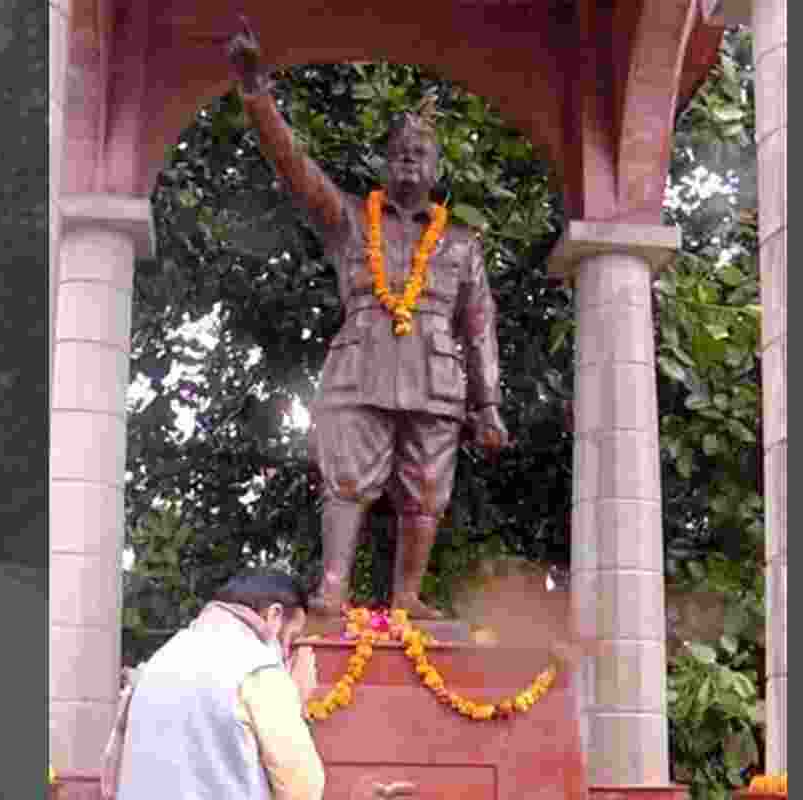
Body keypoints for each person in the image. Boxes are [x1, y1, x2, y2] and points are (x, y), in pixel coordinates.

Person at [227, 17, 511, 622]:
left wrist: (487, 405)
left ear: (437, 168)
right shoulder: (351, 220)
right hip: (360, 371)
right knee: (348, 483)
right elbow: (297, 171)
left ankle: (407, 596)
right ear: (385, 163)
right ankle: (333, 586)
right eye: (400, 152)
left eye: (423, 153)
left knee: (427, 493)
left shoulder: (462, 242)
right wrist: (258, 97)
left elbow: (479, 322)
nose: (411, 159)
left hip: (436, 383)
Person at [106, 569, 324, 800]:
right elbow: (302, 790)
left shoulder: (159, 659)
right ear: (275, 616)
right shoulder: (257, 667)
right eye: (291, 638)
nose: (288, 653)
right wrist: (296, 700)